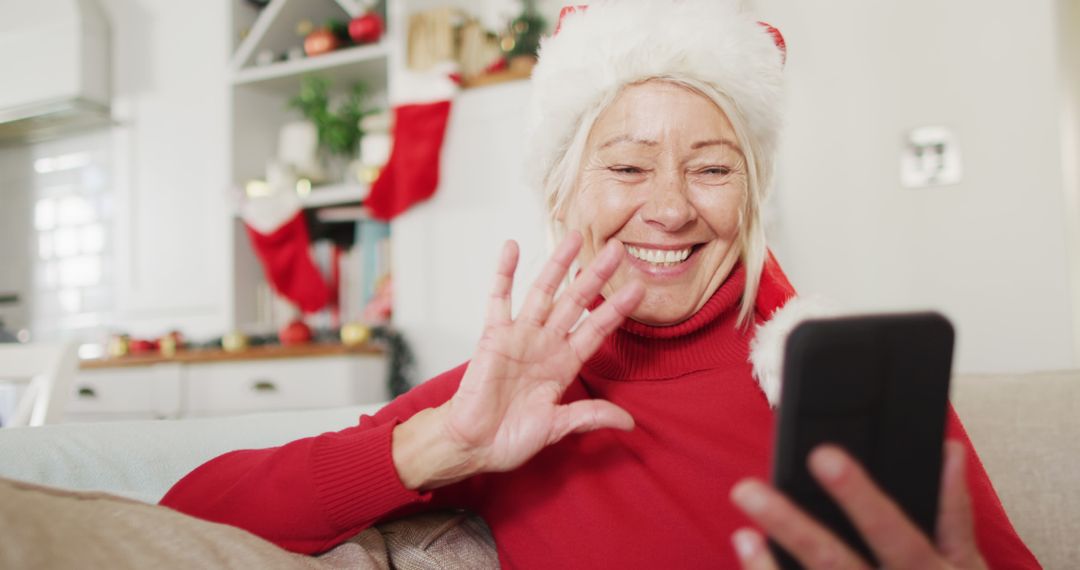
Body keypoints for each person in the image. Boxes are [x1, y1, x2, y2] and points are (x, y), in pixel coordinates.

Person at [161, 2, 1039, 568]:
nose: (668, 208)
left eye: (710, 169)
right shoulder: (513, 399)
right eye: (625, 166)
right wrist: (442, 446)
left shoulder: (853, 381)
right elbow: (188, 515)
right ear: (563, 195)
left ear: (752, 195)